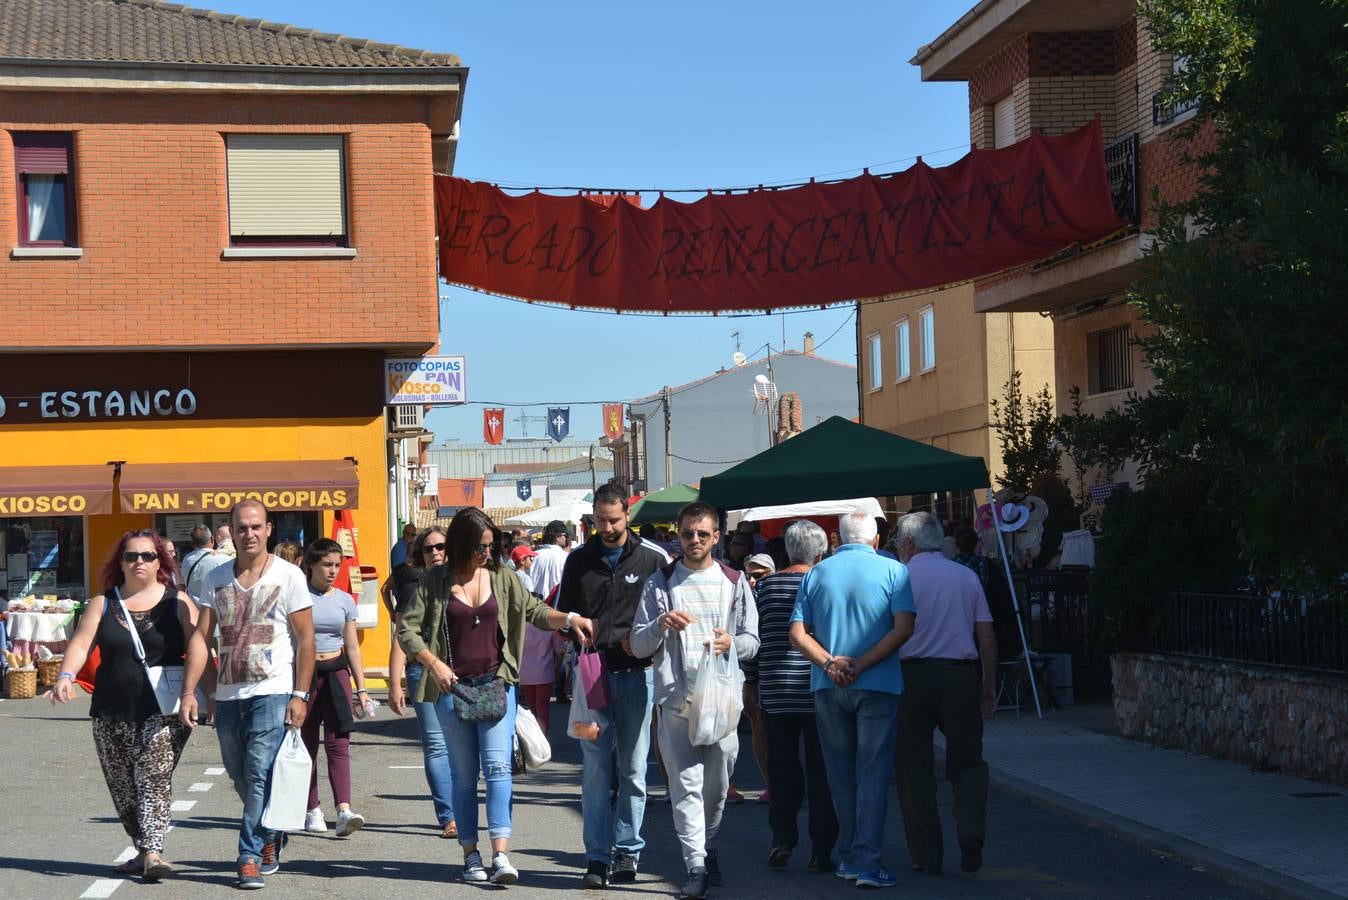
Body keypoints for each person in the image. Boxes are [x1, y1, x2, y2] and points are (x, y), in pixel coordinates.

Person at [398, 507, 596, 886]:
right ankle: (470, 855)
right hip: (451, 691)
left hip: (496, 684)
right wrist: (433, 664)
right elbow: (407, 632)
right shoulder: (435, 581)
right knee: (463, 775)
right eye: (479, 547)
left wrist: (569, 619)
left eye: (491, 545)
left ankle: (501, 853)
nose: (486, 553)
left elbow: (536, 611)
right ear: (460, 545)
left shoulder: (502, 577)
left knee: (500, 769)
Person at [49, 530, 202, 881]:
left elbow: (198, 646)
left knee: (152, 776)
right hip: (110, 709)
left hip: (163, 710)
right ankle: (142, 845)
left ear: (159, 562)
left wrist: (199, 694)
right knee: (122, 786)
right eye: (131, 556)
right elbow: (81, 642)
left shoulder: (178, 601)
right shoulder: (104, 603)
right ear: (120, 562)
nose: (139, 562)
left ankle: (153, 853)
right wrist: (65, 676)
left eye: (148, 556)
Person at [180, 500, 316, 890]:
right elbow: (201, 639)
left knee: (258, 774)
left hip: (272, 692)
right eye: (242, 527)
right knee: (239, 774)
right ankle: (270, 832)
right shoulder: (216, 578)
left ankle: (249, 857)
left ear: (269, 529)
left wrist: (300, 693)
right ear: (232, 531)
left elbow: (305, 638)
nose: (249, 533)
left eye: (256, 526)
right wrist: (191, 691)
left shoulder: (289, 576)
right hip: (227, 694)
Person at [630, 501, 759, 900]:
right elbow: (637, 645)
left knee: (717, 787)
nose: (695, 540)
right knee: (685, 786)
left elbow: (753, 641)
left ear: (717, 536)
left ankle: (708, 844)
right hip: (675, 697)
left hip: (720, 699)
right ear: (678, 535)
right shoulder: (661, 582)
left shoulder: (734, 581)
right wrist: (659, 625)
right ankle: (696, 866)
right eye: (688, 533)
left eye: (703, 533)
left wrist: (730, 643)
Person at [789, 510, 916, 889]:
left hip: (828, 685)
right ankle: (868, 861)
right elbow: (905, 627)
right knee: (873, 773)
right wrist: (861, 663)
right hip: (878, 684)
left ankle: (847, 855)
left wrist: (830, 662)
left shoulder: (816, 573)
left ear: (836, 539)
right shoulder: (894, 571)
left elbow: (797, 633)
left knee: (839, 774)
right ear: (876, 540)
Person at [556, 483, 671, 888]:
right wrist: (576, 629)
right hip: (592, 678)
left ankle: (628, 851)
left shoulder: (654, 559)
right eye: (600, 520)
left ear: (628, 515)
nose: (606, 527)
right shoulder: (578, 561)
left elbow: (667, 615)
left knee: (635, 769)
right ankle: (597, 857)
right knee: (594, 770)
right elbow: (562, 615)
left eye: (614, 519)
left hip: (638, 677)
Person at [894, 512, 997, 876]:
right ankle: (971, 835)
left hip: (911, 677)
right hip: (959, 675)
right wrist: (987, 685)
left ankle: (927, 855)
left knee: (913, 768)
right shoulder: (966, 576)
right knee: (968, 761)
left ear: (908, 543)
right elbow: (985, 635)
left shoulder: (899, 578)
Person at [756, 522, 838, 872]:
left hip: (775, 691)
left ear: (787, 551)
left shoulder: (764, 587)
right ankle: (822, 848)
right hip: (818, 689)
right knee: (822, 771)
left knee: (782, 769)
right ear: (820, 553)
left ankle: (782, 839)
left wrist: (750, 681)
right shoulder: (825, 583)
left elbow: (753, 641)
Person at [387, 527, 457, 839]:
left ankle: (464, 808)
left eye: (441, 547)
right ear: (420, 555)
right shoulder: (414, 587)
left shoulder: (466, 583)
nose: (435, 553)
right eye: (428, 549)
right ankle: (449, 816)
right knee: (437, 746)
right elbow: (400, 636)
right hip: (423, 673)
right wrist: (394, 683)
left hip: (463, 674)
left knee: (465, 747)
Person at [300, 538, 369, 838]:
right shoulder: (298, 596)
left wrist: (362, 688)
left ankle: (343, 809)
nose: (333, 570)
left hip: (337, 672)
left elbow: (352, 646)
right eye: (327, 564)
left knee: (339, 743)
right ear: (311, 564)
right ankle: (312, 808)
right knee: (306, 743)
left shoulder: (344, 600)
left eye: (337, 565)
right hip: (305, 673)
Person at [735, 553, 776, 807]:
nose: (752, 581)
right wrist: (749, 681)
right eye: (748, 575)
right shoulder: (743, 600)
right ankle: (771, 783)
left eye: (759, 576)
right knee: (759, 729)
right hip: (754, 675)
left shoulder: (780, 595)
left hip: (779, 675)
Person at [185, 528, 236, 605]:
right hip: (217, 609)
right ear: (212, 539)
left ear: (193, 543)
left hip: (192, 608)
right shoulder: (225, 559)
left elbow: (182, 585)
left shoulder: (186, 560)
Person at [952, 525, 992, 597]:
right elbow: (983, 589)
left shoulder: (951, 564)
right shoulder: (982, 562)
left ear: (956, 544)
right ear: (975, 543)